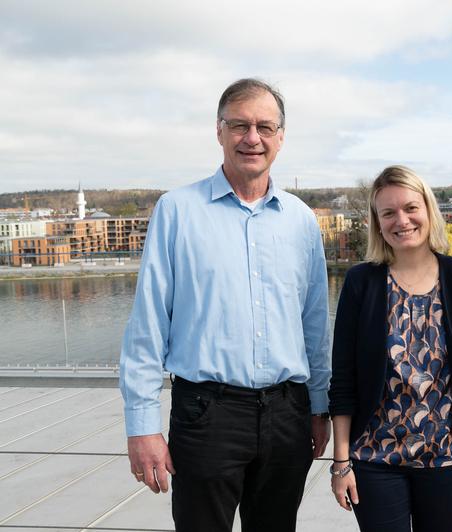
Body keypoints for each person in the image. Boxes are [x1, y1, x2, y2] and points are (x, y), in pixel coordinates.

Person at [119, 78, 331, 532]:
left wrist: (318, 407)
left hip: (288, 415)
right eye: (239, 125)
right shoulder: (176, 210)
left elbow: (314, 325)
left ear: (280, 137)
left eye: (264, 127)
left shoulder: (301, 220)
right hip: (207, 416)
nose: (252, 138)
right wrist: (142, 425)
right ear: (219, 131)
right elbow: (148, 325)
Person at [328, 165, 452, 532]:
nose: (401, 220)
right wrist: (341, 463)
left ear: (428, 210)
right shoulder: (361, 282)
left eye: (410, 208)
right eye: (388, 213)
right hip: (374, 457)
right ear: (378, 222)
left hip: (448, 456)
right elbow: (343, 381)